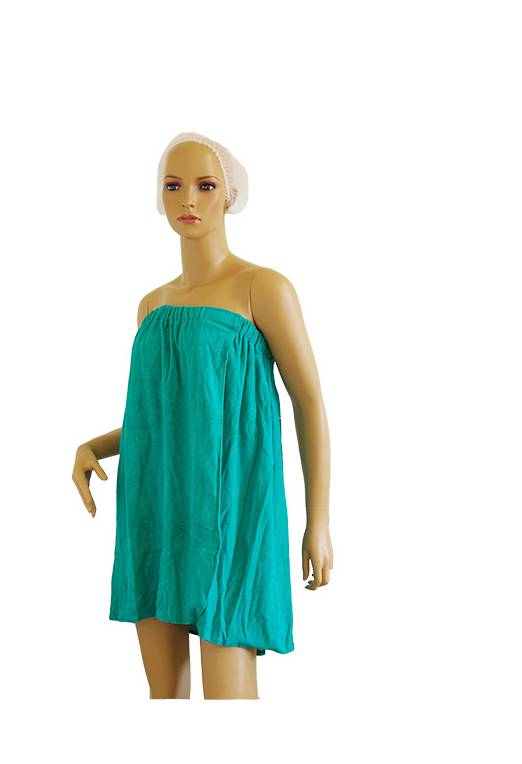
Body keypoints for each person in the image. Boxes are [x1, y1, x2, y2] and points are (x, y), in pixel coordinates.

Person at [73, 132, 332, 699]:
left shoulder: (262, 288)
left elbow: (309, 401)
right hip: (156, 508)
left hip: (232, 508)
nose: (188, 199)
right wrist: (93, 445)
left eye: (205, 185)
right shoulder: (152, 305)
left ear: (230, 194)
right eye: (173, 186)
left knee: (229, 692)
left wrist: (318, 520)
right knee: (163, 696)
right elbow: (164, 419)